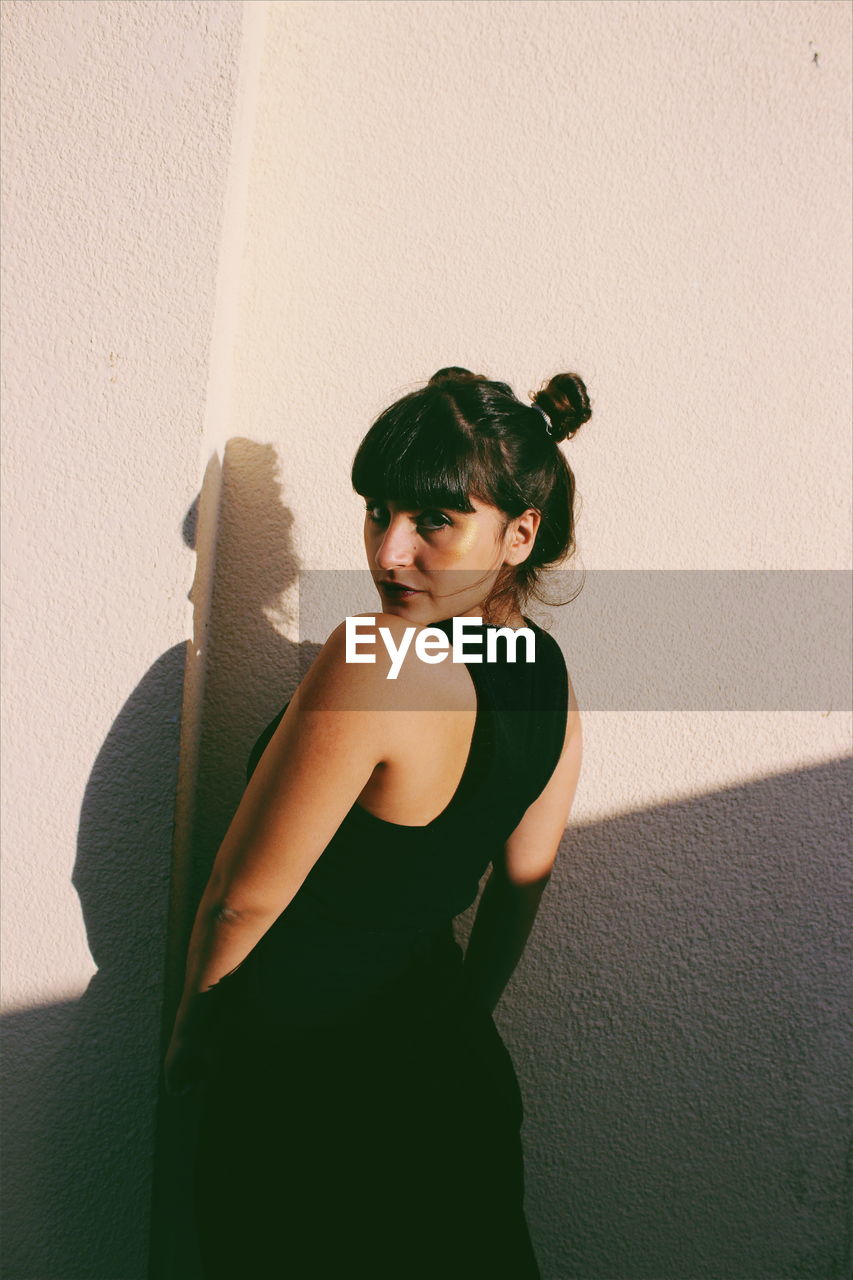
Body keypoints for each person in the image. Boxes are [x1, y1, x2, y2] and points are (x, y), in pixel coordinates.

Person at [164, 366, 589, 1278]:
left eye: (434, 520)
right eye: (376, 511)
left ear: (518, 533)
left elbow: (240, 902)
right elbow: (522, 885)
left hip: (307, 1097)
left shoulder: (376, 656)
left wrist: (193, 1039)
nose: (389, 552)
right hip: (448, 1086)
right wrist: (455, 1026)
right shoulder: (547, 678)